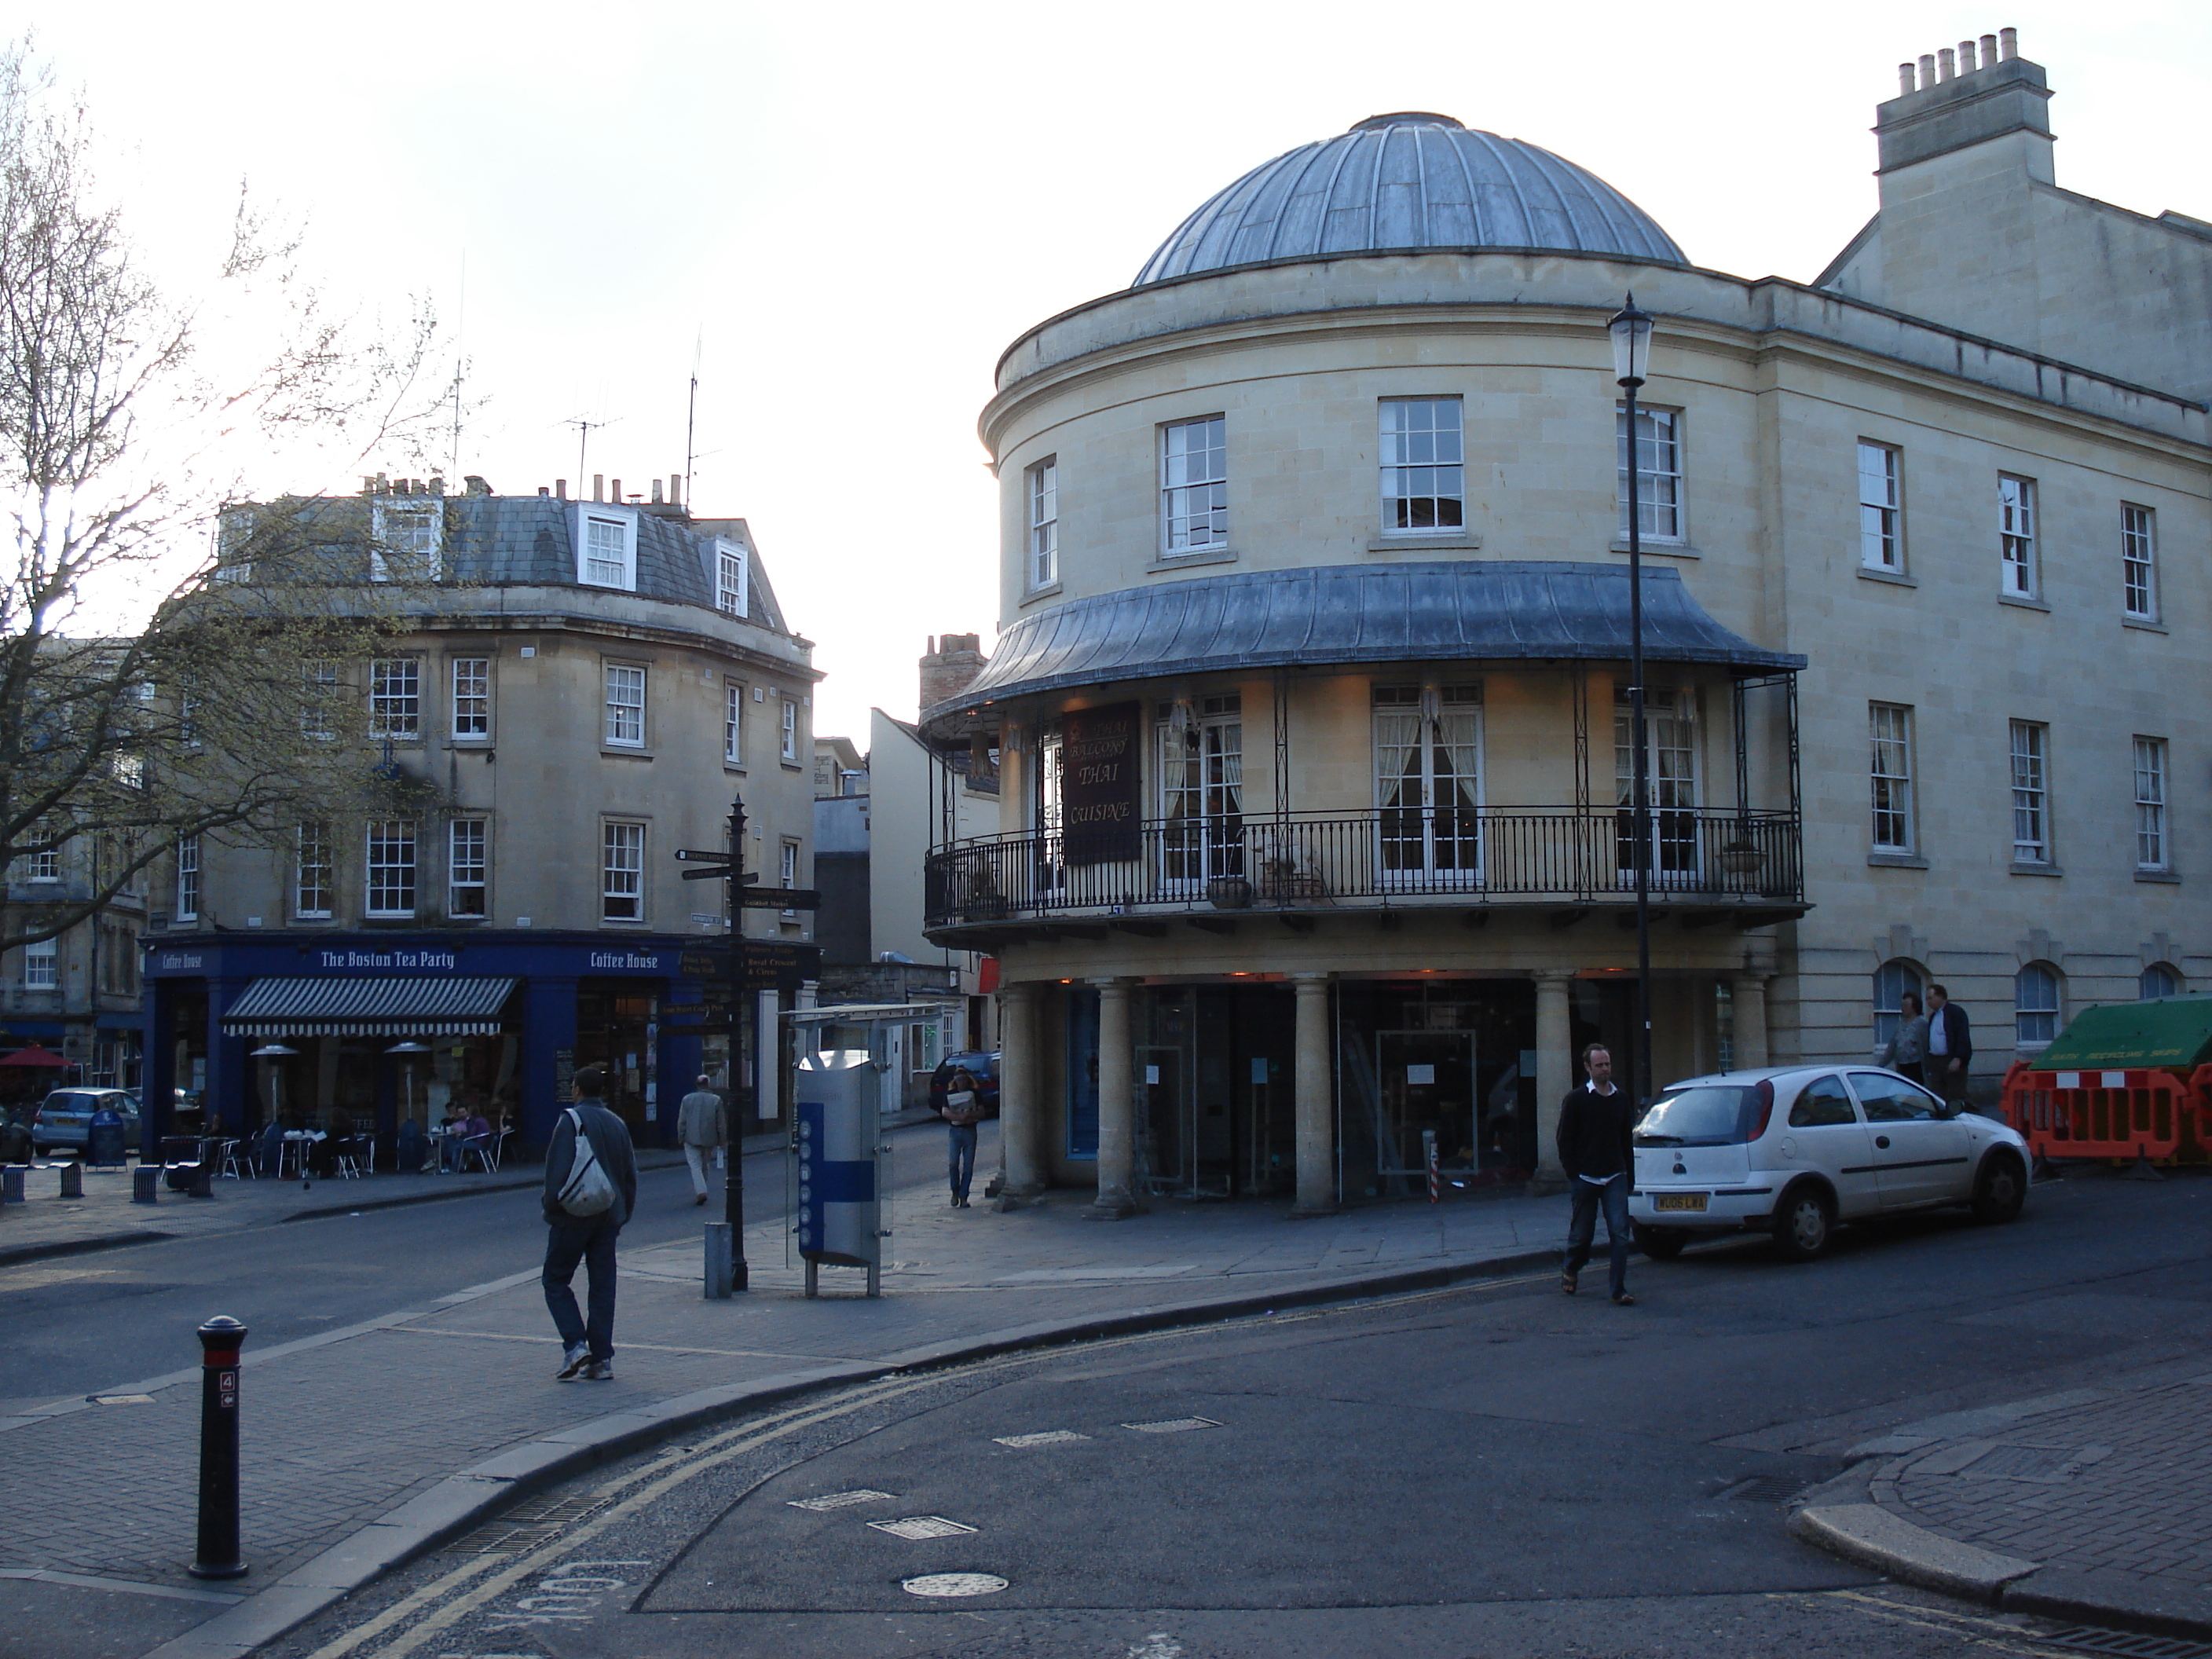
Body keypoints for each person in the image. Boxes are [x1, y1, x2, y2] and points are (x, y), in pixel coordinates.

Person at [542, 1064, 637, 1382]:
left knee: (555, 1280)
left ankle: (575, 1345)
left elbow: (556, 1172)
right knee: (602, 1286)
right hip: (608, 1216)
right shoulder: (617, 1124)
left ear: (577, 1090)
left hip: (573, 1216)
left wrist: (551, 1207)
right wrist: (623, 1214)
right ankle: (601, 1360)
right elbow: (629, 1176)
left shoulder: (570, 1121)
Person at [1557, 1042, 1636, 1306]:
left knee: (1620, 1234)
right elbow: (1564, 1140)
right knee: (1582, 1236)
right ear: (1588, 1068)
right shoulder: (1576, 1099)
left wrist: (1630, 1177)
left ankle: (1618, 1289)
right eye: (1599, 1065)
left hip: (1615, 1175)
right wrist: (1574, 1175)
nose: (1605, 1069)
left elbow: (1626, 1141)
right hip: (1586, 1178)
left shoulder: (1621, 1099)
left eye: (1607, 1064)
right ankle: (1571, 1267)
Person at [676, 1074, 727, 1206]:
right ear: (708, 1084)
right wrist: (722, 1140)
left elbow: (682, 1120)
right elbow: (721, 1123)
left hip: (690, 1138)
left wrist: (681, 1136)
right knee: (705, 1164)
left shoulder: (687, 1099)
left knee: (695, 1166)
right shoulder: (716, 1100)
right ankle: (702, 1188)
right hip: (710, 1138)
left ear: (697, 1085)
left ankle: (701, 1191)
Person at [941, 1065, 985, 1208]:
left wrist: (970, 1115)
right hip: (955, 1130)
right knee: (953, 1163)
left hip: (970, 1130)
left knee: (968, 1166)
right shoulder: (950, 1094)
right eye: (958, 1080)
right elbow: (945, 1112)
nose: (961, 1082)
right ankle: (955, 1191)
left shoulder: (974, 1094)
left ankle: (964, 1196)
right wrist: (959, 1116)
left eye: (964, 1079)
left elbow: (982, 1111)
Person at [1926, 984, 1973, 1108]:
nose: (1928, 1002)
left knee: (1955, 1095)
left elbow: (1962, 1037)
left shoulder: (1955, 1013)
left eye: (1930, 998)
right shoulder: (1933, 1016)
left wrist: (1959, 1058)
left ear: (1941, 997)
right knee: (1938, 1095)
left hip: (1951, 1059)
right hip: (1936, 1061)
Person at [1877, 991, 1929, 1083]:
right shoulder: (1900, 1025)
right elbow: (1892, 1047)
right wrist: (1879, 1067)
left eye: (1906, 1005)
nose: (1903, 1008)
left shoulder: (1922, 1024)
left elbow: (1926, 1047)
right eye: (1902, 1005)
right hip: (1902, 1066)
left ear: (1914, 1007)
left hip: (1916, 1066)